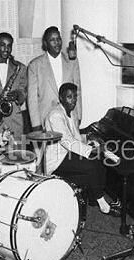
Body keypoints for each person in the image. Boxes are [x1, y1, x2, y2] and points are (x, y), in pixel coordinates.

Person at [44, 83, 121, 216]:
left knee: (98, 162)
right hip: (58, 159)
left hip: (68, 154)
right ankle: (103, 204)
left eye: (75, 96)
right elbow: (67, 141)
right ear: (61, 98)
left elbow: (75, 136)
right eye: (69, 97)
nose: (73, 100)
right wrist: (91, 150)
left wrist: (89, 140)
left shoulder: (71, 112)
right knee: (91, 164)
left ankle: (94, 197)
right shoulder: (55, 115)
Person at [27, 26, 82, 132]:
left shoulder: (72, 62)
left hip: (69, 117)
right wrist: (36, 124)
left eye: (58, 39)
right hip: (46, 119)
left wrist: (78, 116)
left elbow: (78, 89)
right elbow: (32, 99)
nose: (57, 43)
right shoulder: (35, 65)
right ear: (45, 43)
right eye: (52, 40)